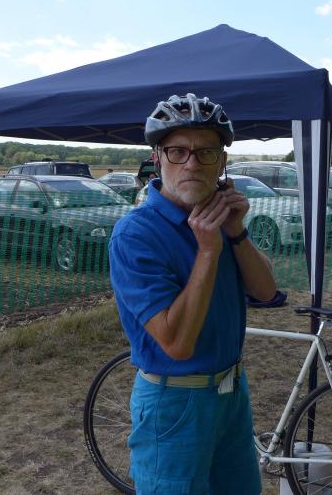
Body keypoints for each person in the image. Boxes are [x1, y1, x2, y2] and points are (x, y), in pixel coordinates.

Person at [109, 93, 277, 494]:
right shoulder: (136, 234)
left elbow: (266, 291)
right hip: (174, 403)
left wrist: (235, 231)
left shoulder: (220, 217)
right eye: (178, 151)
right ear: (157, 158)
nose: (191, 164)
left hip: (232, 393)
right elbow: (177, 344)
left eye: (206, 152)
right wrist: (207, 251)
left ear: (222, 163)